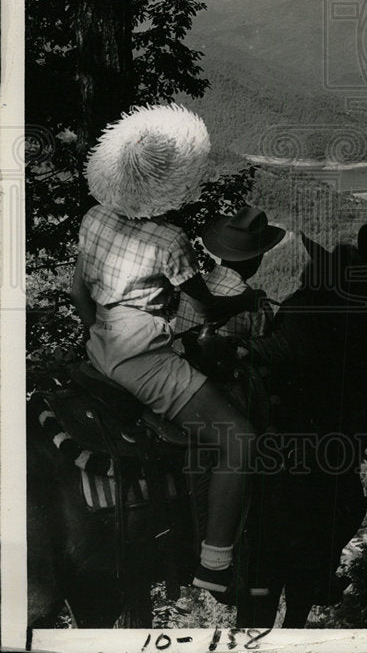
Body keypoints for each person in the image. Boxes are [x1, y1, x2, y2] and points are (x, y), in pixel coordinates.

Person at [69, 103, 263, 602]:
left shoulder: (93, 216)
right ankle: (214, 563)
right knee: (239, 440)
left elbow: (78, 293)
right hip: (145, 362)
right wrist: (245, 299)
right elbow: (204, 304)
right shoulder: (170, 238)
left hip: (101, 345)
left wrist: (101, 336)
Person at [172, 206, 285, 343]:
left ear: (222, 251)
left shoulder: (192, 288)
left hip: (181, 361)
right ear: (257, 258)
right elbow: (265, 354)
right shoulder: (255, 306)